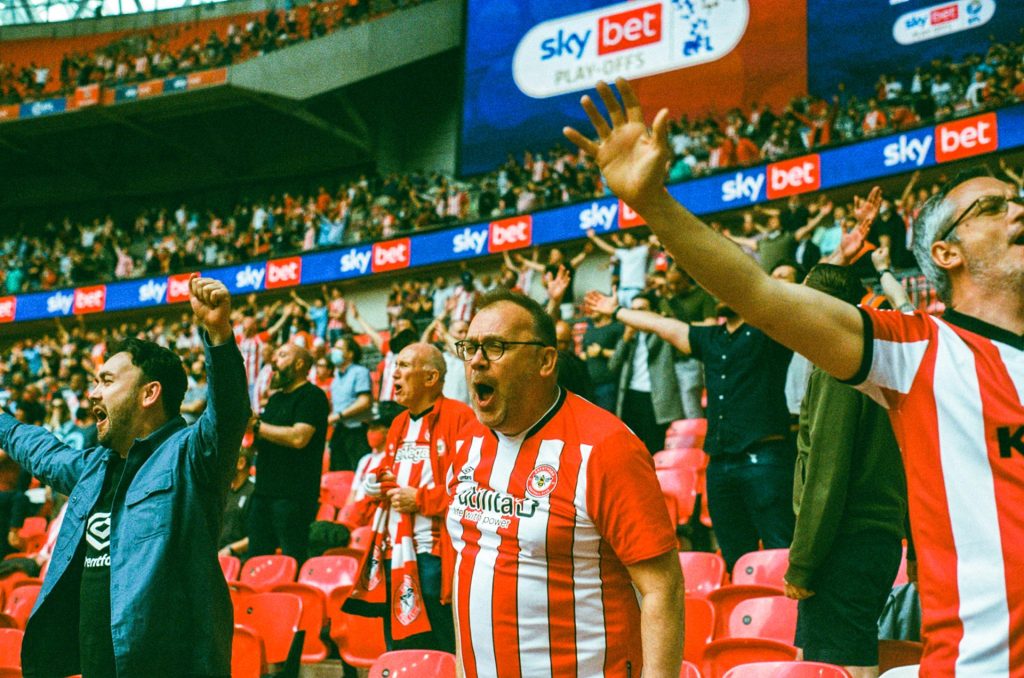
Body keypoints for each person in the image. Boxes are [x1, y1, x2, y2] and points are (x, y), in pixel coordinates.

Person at [564, 77, 1024, 676]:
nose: (1018, 208)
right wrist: (655, 204)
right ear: (945, 253)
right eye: (993, 206)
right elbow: (757, 290)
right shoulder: (918, 349)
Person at [0, 277, 248, 676]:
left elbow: (230, 415)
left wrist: (218, 335)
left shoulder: (190, 456)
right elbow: (40, 450)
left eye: (107, 381)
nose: (93, 393)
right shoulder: (95, 468)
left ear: (149, 394)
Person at [446, 289, 684, 677]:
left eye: (495, 347)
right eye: (469, 347)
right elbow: (469, 571)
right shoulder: (469, 443)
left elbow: (663, 589)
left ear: (545, 360)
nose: (476, 361)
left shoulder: (607, 447)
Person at [586, 290, 794, 571]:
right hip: (720, 464)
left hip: (765, 456)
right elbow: (663, 326)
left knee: (781, 553)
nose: (716, 290)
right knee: (736, 560)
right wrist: (617, 312)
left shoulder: (771, 332)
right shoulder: (712, 337)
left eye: (725, 284)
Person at [785, 264, 908, 678]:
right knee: (825, 661)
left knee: (845, 666)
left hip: (844, 543)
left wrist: (802, 564)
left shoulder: (840, 365)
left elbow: (826, 473)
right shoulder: (874, 357)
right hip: (870, 539)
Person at [346, 343, 474, 653]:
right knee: (400, 646)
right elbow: (391, 473)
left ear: (431, 378)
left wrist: (422, 499)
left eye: (404, 365)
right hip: (395, 551)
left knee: (441, 645)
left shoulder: (462, 418)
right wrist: (380, 485)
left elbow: (472, 493)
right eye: (396, 365)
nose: (395, 371)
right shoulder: (399, 424)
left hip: (434, 553)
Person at [249, 343, 329, 561]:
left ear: (299, 364)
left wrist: (256, 426)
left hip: (294, 495)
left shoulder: (313, 396)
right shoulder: (275, 399)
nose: (275, 360)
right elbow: (263, 438)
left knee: (293, 559)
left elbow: (299, 437)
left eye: (282, 355)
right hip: (264, 491)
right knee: (257, 560)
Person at [608, 293, 684, 455]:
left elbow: (683, 324)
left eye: (641, 309)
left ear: (654, 312)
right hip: (630, 396)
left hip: (654, 399)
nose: (636, 315)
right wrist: (625, 339)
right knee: (630, 450)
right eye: (633, 310)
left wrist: (669, 301)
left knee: (655, 450)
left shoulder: (663, 335)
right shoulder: (629, 335)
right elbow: (612, 365)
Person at [328, 335, 373, 471]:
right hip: (339, 430)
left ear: (350, 354)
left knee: (358, 471)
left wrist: (339, 415)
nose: (334, 351)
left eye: (339, 348)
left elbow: (364, 401)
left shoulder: (360, 372)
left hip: (356, 431)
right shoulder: (336, 378)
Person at [218, 445, 255, 560]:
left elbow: (258, 536)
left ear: (241, 463)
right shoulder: (223, 492)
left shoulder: (253, 493)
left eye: (225, 460)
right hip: (217, 556)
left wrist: (230, 549)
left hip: (239, 559)